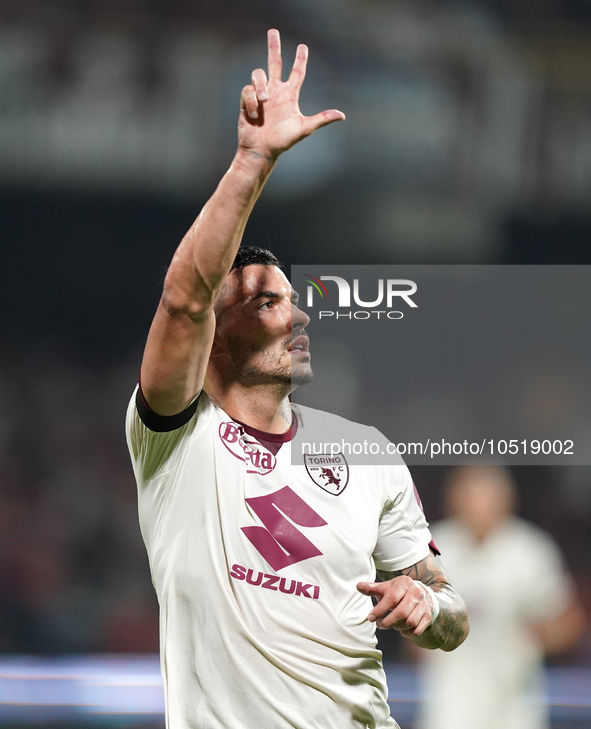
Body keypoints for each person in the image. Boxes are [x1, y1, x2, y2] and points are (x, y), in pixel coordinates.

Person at [126, 29, 469, 729]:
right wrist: (251, 162)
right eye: (265, 300)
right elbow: (185, 297)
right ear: (215, 337)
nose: (298, 314)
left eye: (294, 297)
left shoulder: (366, 450)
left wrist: (427, 605)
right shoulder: (175, 436)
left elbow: (450, 613)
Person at [415, 465, 585, 729]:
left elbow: (569, 621)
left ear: (507, 498)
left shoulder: (531, 552)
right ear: (453, 498)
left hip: (514, 707)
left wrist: (534, 638)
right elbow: (411, 633)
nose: (479, 503)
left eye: (488, 494)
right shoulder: (433, 548)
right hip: (449, 706)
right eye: (470, 493)